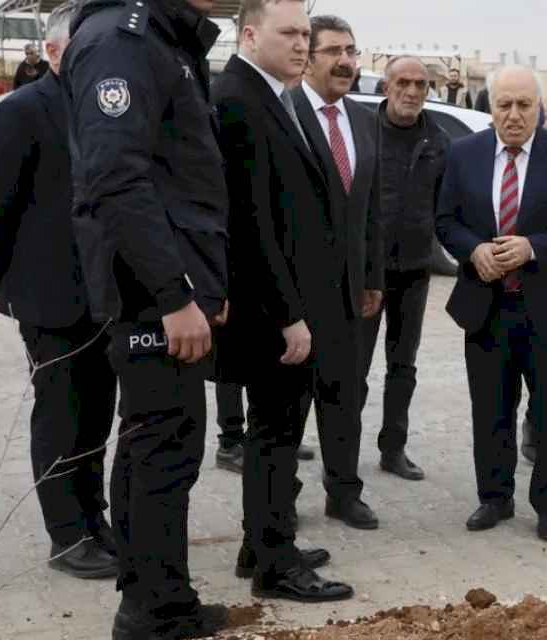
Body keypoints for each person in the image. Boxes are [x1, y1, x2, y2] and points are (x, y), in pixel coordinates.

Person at [61, 0, 231, 636]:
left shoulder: (161, 38)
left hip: (166, 288)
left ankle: (157, 600)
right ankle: (155, 617)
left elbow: (180, 178)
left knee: (154, 444)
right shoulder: (124, 41)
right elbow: (117, 177)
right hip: (150, 295)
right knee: (163, 450)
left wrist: (203, 285)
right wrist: (174, 294)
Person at [212, 0, 355, 603]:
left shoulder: (272, 93)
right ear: (249, 34)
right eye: (289, 33)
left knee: (278, 434)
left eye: (306, 34)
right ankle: (276, 565)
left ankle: (264, 542)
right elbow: (252, 224)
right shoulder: (240, 100)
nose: (303, 44)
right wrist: (289, 316)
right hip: (274, 312)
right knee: (274, 438)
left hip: (294, 302)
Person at [0, 0, 120, 581]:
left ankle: (93, 518)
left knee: (97, 417)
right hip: (47, 296)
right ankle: (66, 535)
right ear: (56, 50)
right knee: (60, 415)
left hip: (104, 296)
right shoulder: (23, 110)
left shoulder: (101, 106)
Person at [437, 64, 547, 543]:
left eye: (523, 105)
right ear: (490, 107)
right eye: (503, 105)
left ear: (539, 108)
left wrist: (532, 247)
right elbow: (445, 220)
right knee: (491, 409)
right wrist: (473, 249)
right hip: (487, 308)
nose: (513, 115)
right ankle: (494, 497)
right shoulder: (464, 154)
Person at [289, 14, 386, 530]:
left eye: (352, 50)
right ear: (307, 57)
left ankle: (344, 492)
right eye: (334, 51)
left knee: (345, 396)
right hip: (297, 296)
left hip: (352, 295)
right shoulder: (284, 114)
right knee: (289, 403)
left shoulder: (365, 119)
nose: (347, 61)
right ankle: (281, 496)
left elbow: (370, 208)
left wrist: (373, 277)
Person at [360, 55, 451, 482]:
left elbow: (450, 203)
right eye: (404, 82)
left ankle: (392, 449)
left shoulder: (438, 139)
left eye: (420, 84)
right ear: (386, 86)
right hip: (365, 272)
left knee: (403, 366)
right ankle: (340, 455)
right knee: (352, 368)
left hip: (414, 270)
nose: (412, 91)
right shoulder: (362, 130)